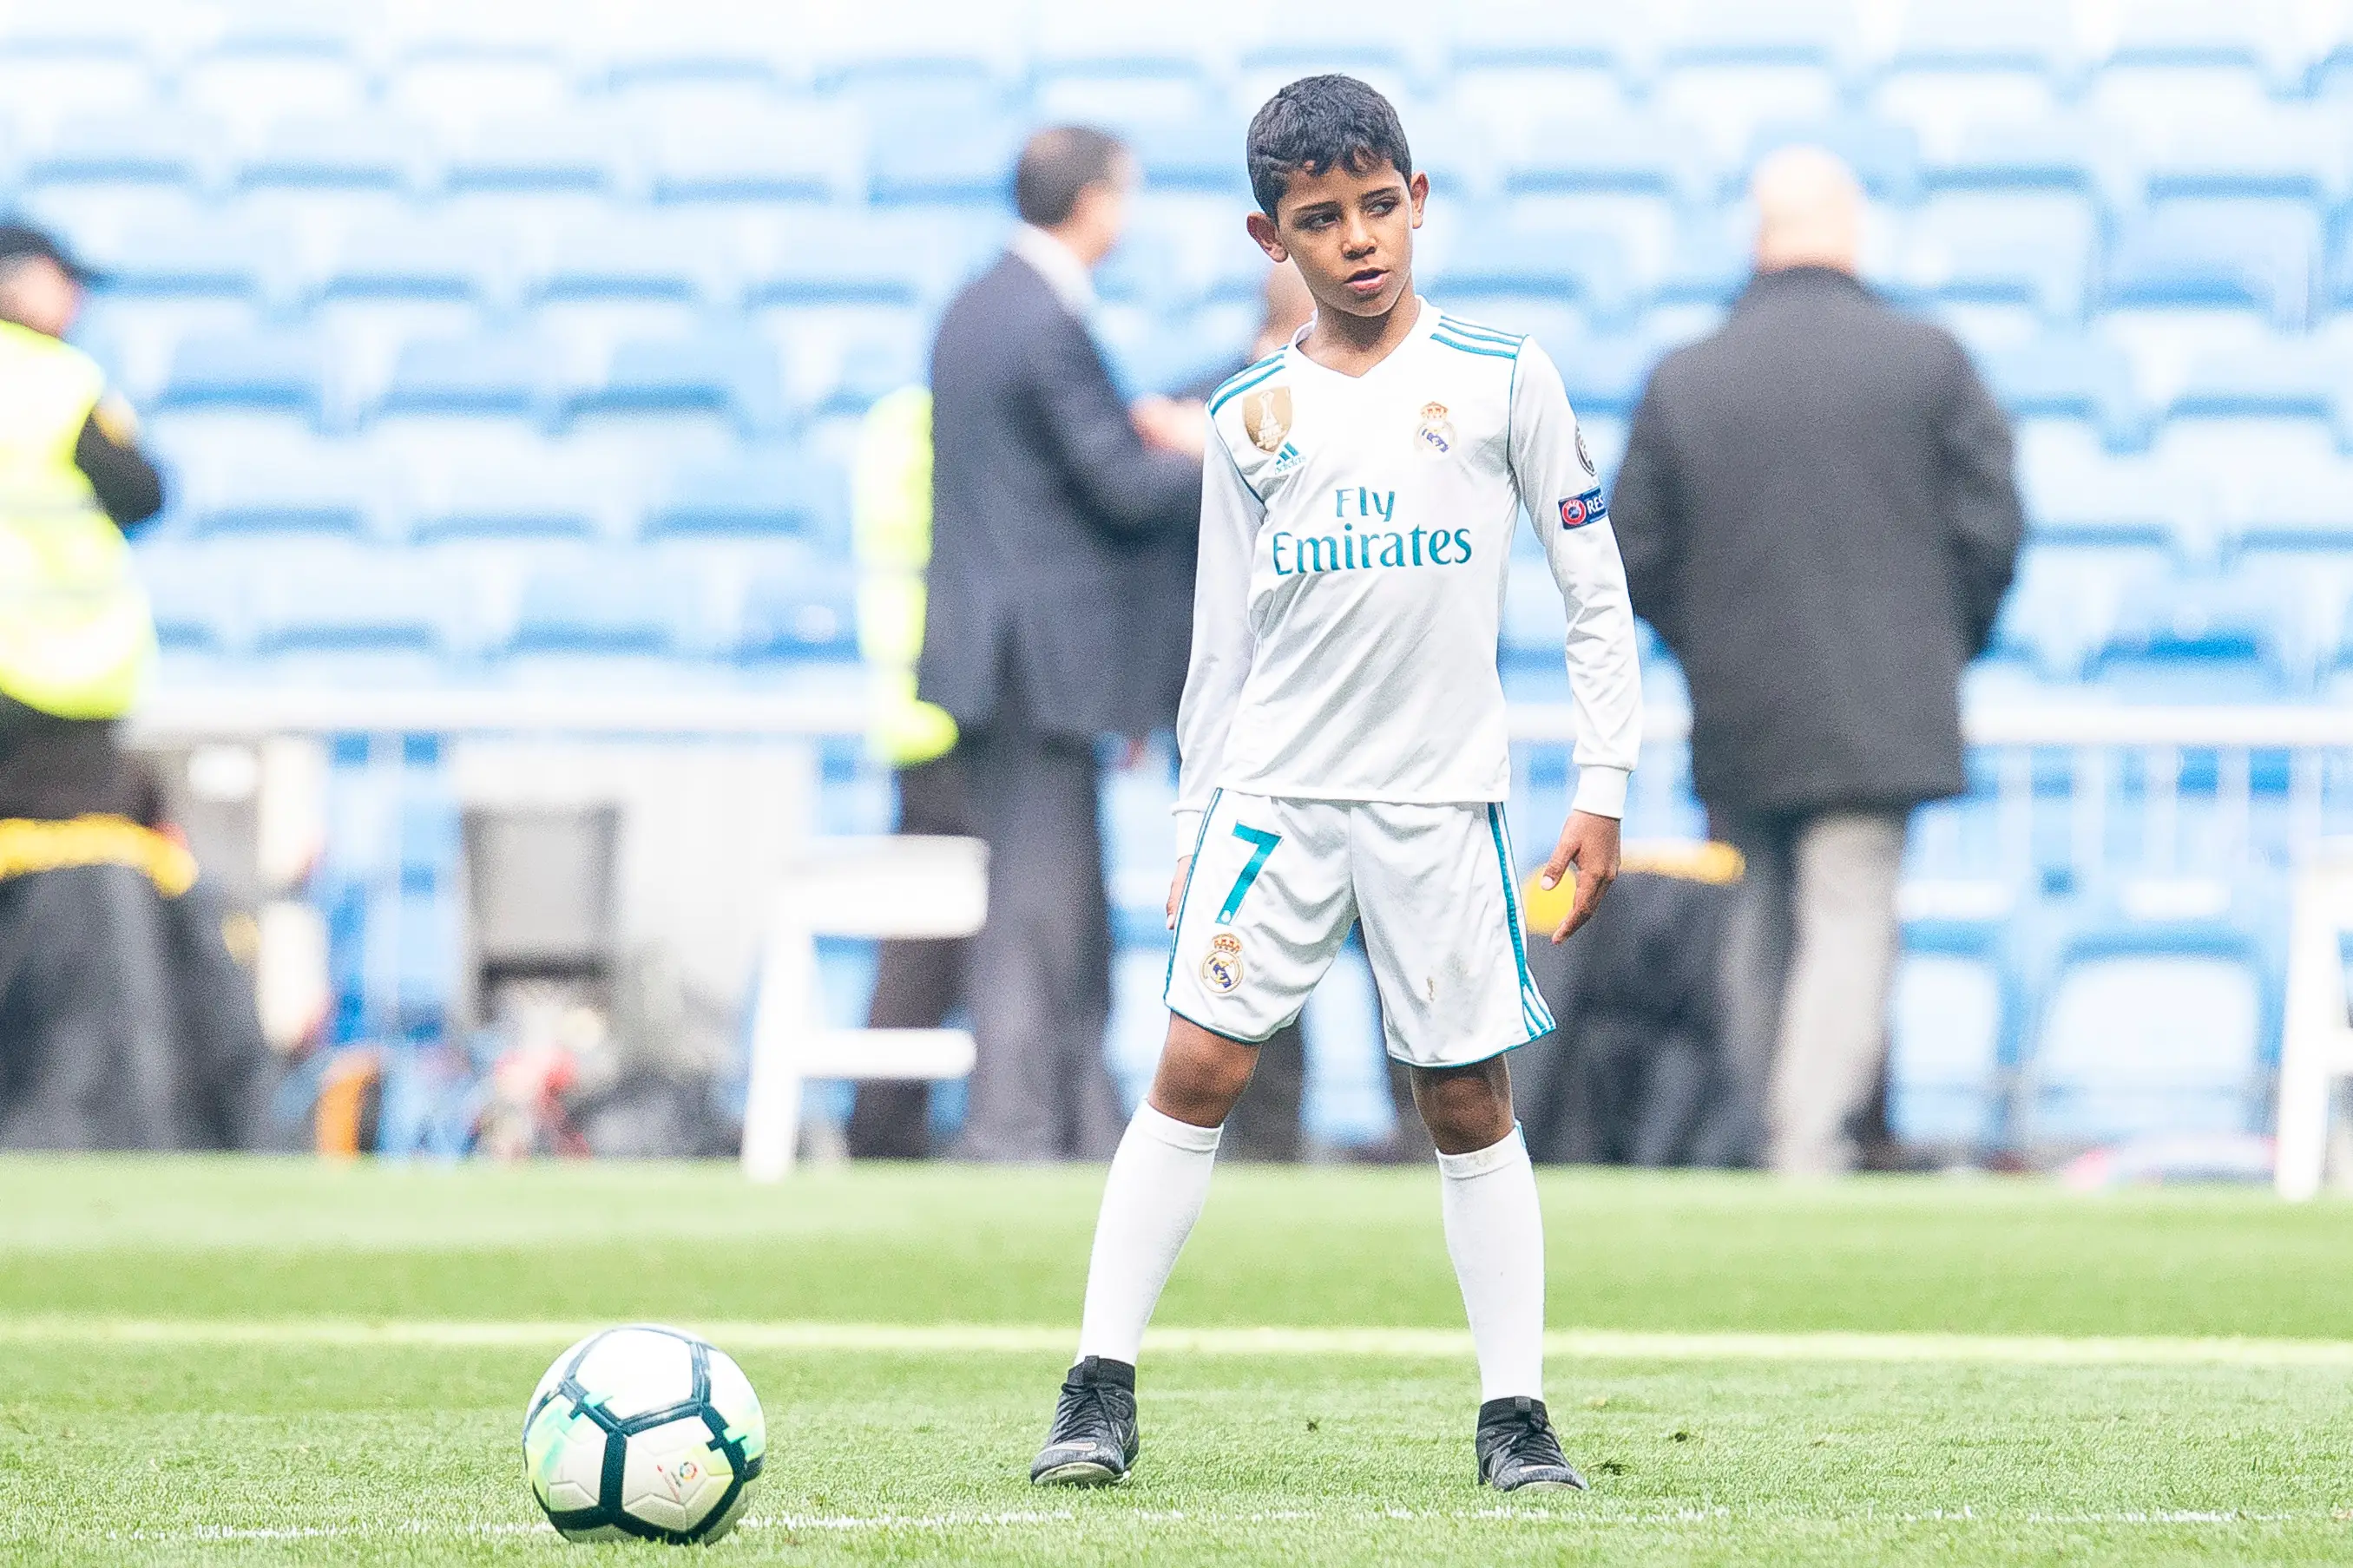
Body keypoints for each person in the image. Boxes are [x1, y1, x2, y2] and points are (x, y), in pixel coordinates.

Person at [1029, 75, 1643, 1493]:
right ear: (1272, 239)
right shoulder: (1248, 415)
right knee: (1194, 1069)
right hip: (1275, 803)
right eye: (1323, 218)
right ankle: (1097, 1381)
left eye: (1379, 206)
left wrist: (1601, 787)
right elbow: (1221, 652)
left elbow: (1591, 594)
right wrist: (1194, 822)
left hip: (1437, 803)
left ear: (1418, 203)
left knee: (1465, 1100)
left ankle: (1515, 1412)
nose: (1359, 238)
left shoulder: (1502, 379)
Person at [1608, 148, 2023, 1177]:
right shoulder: (1928, 362)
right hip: (1882, 705)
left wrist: (1704, 647)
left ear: (1759, 236)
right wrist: (1934, 644)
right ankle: (1805, 1145)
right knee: (1846, 918)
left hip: (1741, 703)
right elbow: (1993, 528)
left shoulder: (1686, 376)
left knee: (1752, 921)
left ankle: (1765, 1137)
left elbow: (1631, 550)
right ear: (1849, 229)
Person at [918, 127, 1205, 1161]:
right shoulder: (1041, 321)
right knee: (1039, 911)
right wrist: (1231, 452)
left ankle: (1074, 1119)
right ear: (1090, 203)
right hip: (1032, 668)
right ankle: (1013, 1125)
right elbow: (1121, 491)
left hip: (1007, 662)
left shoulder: (981, 305)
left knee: (1061, 903)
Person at [1124, 263, 1320, 1163]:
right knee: (1269, 925)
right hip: (1263, 710)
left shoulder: (1187, 413)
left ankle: (1270, 1133)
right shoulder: (1208, 410)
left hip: (1248, 710)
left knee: (1252, 920)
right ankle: (1315, 1131)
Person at [0, 222, 168, 823]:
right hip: (52, 678)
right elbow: (145, 493)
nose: (78, 301)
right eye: (64, 283)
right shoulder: (60, 382)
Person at [843, 386, 971, 1159]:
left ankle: (885, 1120)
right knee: (939, 943)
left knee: (923, 939)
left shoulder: (893, 425)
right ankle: (889, 1122)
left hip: (911, 713)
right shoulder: (945, 429)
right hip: (954, 711)